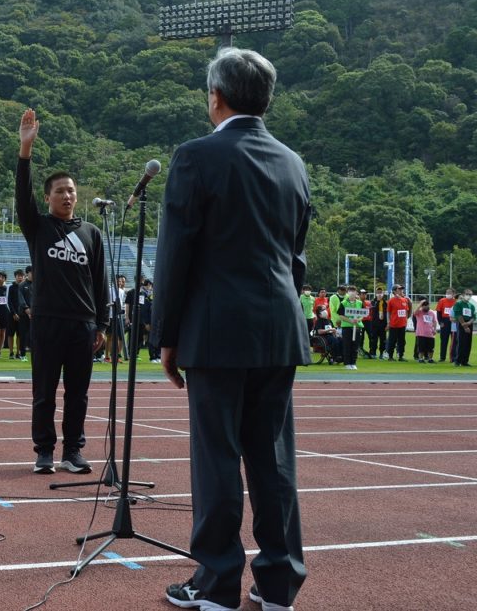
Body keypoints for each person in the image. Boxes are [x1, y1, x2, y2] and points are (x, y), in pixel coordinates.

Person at [149, 48, 309, 611]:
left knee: (217, 458)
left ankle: (216, 581)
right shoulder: (294, 162)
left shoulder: (196, 156)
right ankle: (278, 584)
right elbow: (296, 258)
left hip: (216, 332)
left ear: (214, 97)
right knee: (273, 457)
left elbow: (175, 256)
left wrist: (164, 334)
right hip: (279, 330)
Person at [17, 108, 108, 476]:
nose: (68, 195)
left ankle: (73, 451)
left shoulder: (91, 233)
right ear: (48, 196)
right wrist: (25, 151)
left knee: (78, 394)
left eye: (71, 190)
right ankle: (44, 452)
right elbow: (23, 196)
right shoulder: (38, 227)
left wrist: (101, 323)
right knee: (44, 392)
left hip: (82, 324)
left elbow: (100, 280)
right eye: (60, 191)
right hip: (48, 321)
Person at [336, 287, 363, 370]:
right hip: (347, 327)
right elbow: (340, 315)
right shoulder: (343, 303)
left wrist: (357, 320)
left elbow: (363, 314)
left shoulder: (359, 303)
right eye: (350, 291)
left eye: (353, 291)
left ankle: (353, 362)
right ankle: (347, 363)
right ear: (348, 292)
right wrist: (350, 320)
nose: (352, 292)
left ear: (356, 292)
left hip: (357, 326)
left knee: (355, 345)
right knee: (347, 345)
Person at [386, 284, 411, 361]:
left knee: (402, 341)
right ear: (394, 291)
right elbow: (388, 312)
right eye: (399, 289)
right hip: (393, 324)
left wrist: (406, 320)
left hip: (402, 324)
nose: (401, 290)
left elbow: (406, 311)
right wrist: (388, 322)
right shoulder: (391, 301)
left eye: (401, 289)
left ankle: (401, 356)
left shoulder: (405, 300)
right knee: (392, 341)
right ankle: (390, 356)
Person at [452, 289, 476, 367]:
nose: (468, 296)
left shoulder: (471, 306)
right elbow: (458, 315)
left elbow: (473, 316)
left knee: (468, 343)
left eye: (470, 295)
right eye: (467, 294)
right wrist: (464, 326)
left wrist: (469, 323)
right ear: (463, 294)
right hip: (461, 323)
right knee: (461, 342)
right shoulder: (458, 304)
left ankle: (465, 361)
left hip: (469, 323)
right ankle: (458, 361)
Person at [434, 288, 457, 362]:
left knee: (454, 341)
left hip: (453, 322)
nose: (448, 294)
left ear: (454, 294)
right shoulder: (442, 301)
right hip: (445, 321)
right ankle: (442, 357)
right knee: (444, 340)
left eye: (450, 293)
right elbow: (438, 312)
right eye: (447, 292)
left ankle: (453, 357)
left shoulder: (456, 302)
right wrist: (440, 322)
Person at [413, 299, 438, 364]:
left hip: (430, 333)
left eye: (427, 306)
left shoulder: (432, 312)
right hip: (421, 333)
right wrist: (420, 305)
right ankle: (420, 359)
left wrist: (434, 329)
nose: (426, 307)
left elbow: (434, 321)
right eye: (424, 306)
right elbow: (414, 313)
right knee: (421, 348)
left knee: (431, 348)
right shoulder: (419, 312)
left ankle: (430, 359)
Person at [367, 287, 388, 360]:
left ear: (383, 293)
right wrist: (378, 301)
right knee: (373, 339)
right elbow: (373, 309)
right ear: (375, 293)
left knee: (383, 340)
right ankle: (373, 353)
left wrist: (388, 324)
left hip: (383, 324)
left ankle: (382, 353)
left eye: (381, 292)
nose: (379, 294)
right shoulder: (373, 302)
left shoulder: (385, 302)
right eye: (378, 292)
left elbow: (387, 314)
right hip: (374, 324)